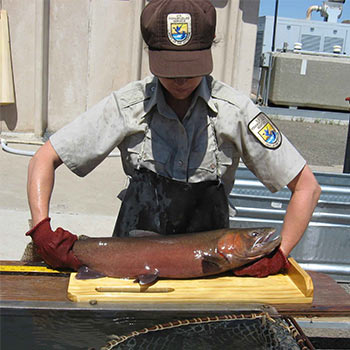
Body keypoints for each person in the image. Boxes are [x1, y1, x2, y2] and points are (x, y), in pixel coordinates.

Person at [26, 0, 321, 277]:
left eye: (190, 70)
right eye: (170, 70)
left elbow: (307, 187)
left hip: (211, 268)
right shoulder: (127, 105)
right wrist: (41, 230)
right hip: (130, 266)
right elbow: (44, 158)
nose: (180, 81)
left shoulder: (236, 112)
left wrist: (280, 253)